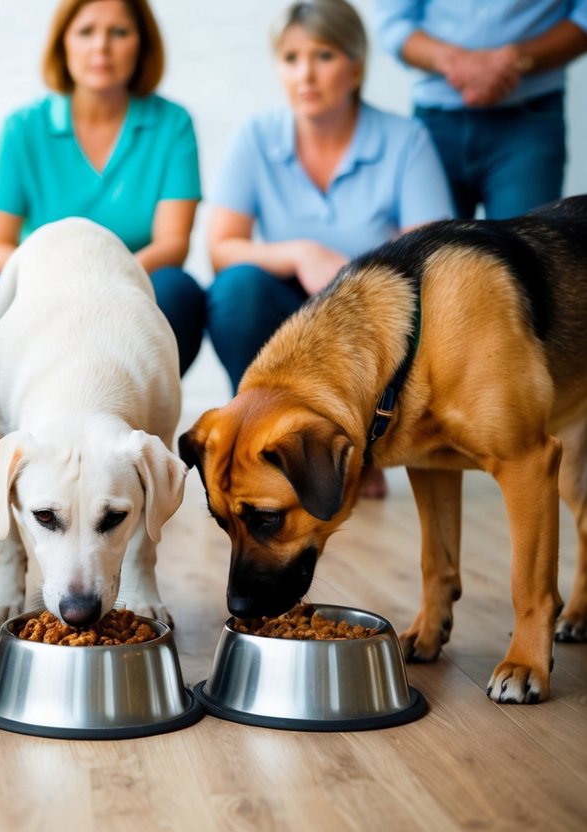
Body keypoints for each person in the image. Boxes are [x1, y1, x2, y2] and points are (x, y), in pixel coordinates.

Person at [205, 0, 453, 498]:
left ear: (356, 66)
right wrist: (300, 253)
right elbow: (221, 247)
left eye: (323, 56)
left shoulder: (407, 139)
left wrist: (354, 275)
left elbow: (434, 257)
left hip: (370, 319)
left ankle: (365, 449)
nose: (305, 74)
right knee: (236, 290)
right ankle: (263, 436)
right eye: (291, 58)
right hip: (288, 313)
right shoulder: (256, 137)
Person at [0, 0, 205, 375]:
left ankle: (141, 423)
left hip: (134, 287)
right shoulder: (21, 128)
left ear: (142, 44)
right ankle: (19, 420)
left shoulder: (173, 125)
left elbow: (173, 244)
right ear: (63, 44)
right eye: (85, 32)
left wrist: (109, 279)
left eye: (119, 32)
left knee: (178, 290)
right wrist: (66, 280)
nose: (101, 47)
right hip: (44, 288)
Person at [375, 0, 587, 220]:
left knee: (524, 248)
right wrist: (455, 62)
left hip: (530, 118)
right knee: (433, 248)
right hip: (435, 121)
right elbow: (393, 21)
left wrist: (512, 61)